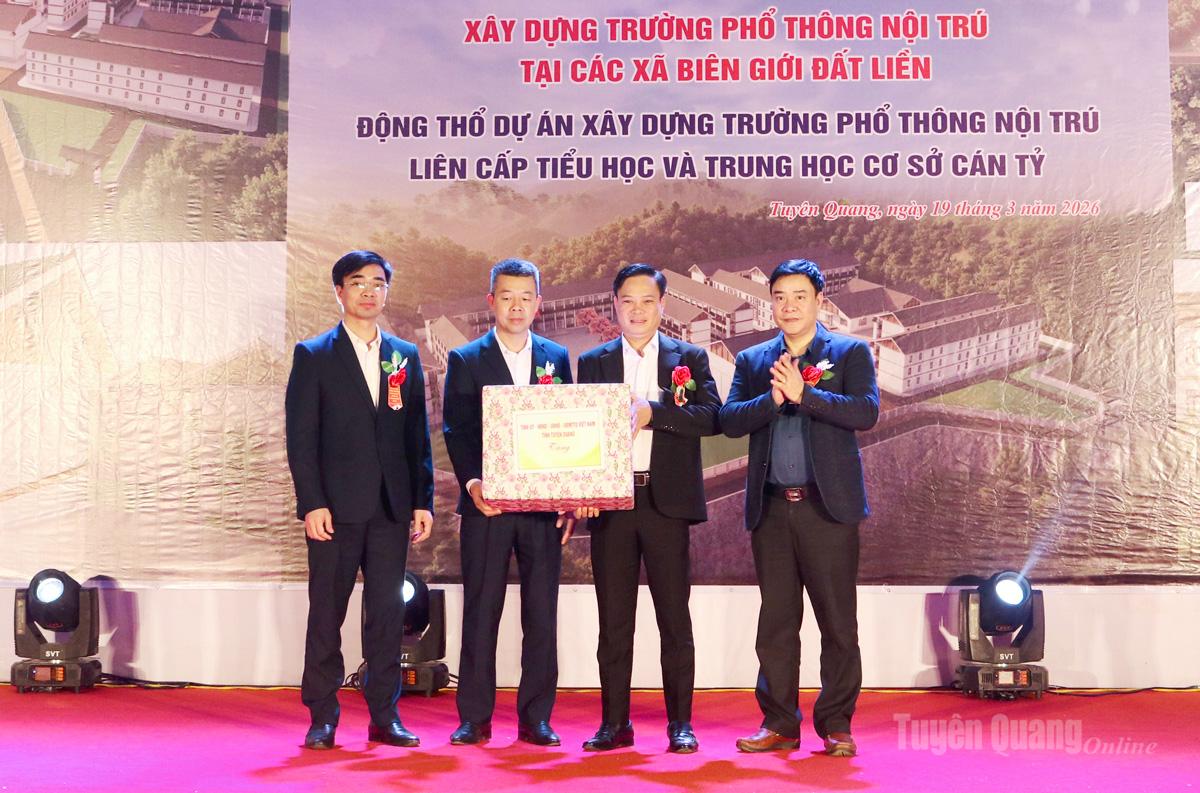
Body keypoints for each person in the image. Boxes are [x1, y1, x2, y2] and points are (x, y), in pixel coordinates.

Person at [719, 259, 879, 757]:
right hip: (771, 511)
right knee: (776, 624)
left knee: (838, 623)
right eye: (780, 297)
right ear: (771, 302)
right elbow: (729, 420)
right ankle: (779, 723)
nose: (788, 306)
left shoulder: (849, 351)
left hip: (827, 510)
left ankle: (836, 725)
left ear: (819, 301)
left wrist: (805, 395)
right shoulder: (753, 360)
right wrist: (772, 400)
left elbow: (866, 412)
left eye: (799, 296)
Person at [285, 250, 434, 750]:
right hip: (334, 510)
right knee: (327, 614)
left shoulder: (403, 355)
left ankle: (384, 716)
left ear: (387, 291)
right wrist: (312, 502)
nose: (369, 291)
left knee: (387, 617)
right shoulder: (314, 354)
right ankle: (322, 716)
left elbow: (417, 434)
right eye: (357, 282)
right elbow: (301, 437)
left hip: (391, 509)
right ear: (339, 291)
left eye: (378, 283)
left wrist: (421, 500)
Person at [576, 263, 721, 753]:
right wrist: (584, 491)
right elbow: (583, 435)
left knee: (674, 620)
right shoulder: (593, 362)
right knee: (614, 622)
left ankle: (680, 724)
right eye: (627, 301)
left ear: (662, 305)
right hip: (611, 505)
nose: (636, 311)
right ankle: (614, 724)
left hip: (666, 504)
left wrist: (654, 414)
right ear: (614, 305)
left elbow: (712, 417)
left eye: (646, 301)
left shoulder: (689, 358)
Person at [442, 258, 576, 747]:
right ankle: (474, 717)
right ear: (491, 302)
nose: (516, 306)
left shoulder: (556, 357)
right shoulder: (466, 359)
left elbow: (565, 429)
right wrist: (473, 484)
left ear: (538, 303)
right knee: (481, 612)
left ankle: (536, 718)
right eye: (506, 296)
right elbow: (456, 430)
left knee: (541, 614)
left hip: (542, 510)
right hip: (488, 507)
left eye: (525, 297)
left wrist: (568, 498)